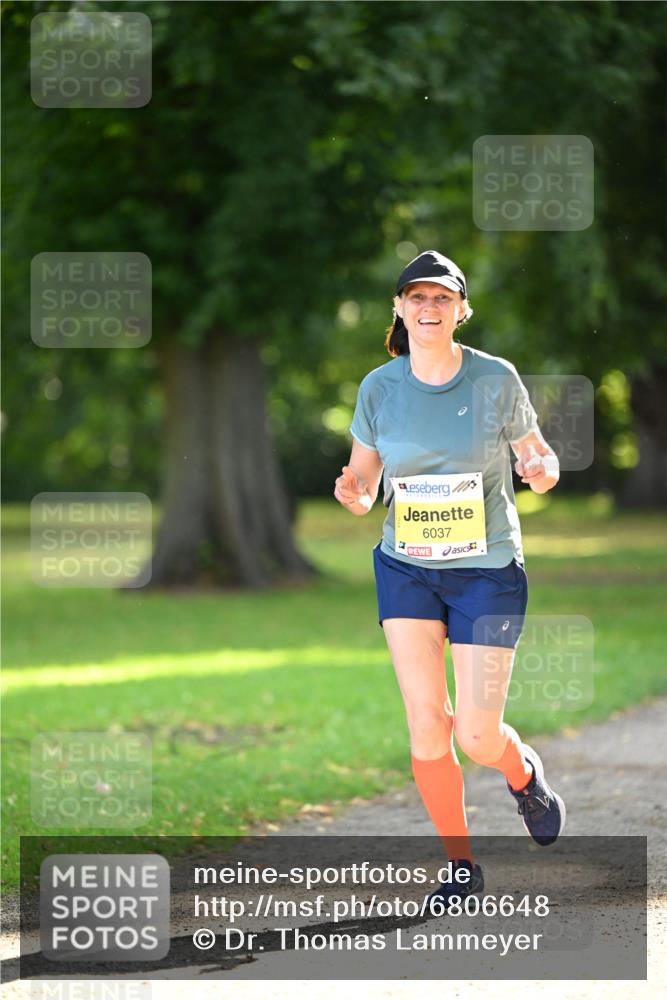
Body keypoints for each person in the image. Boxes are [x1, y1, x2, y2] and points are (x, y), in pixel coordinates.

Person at [334, 250, 565, 910]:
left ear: (461, 310)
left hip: (485, 572)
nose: (429, 307)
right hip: (405, 567)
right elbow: (364, 479)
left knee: (475, 735)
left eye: (442, 297)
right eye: (417, 296)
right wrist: (354, 493)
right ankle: (461, 867)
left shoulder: (494, 379)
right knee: (427, 727)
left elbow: (538, 458)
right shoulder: (379, 387)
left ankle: (521, 773)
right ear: (399, 308)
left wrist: (540, 470)